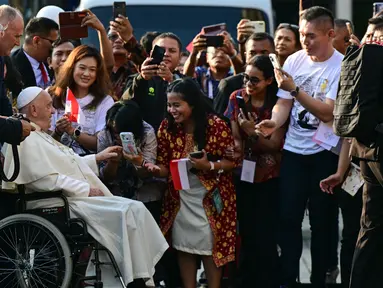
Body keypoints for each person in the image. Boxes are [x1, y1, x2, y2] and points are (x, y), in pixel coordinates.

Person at [1, 86, 169, 287]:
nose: (53, 111)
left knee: (134, 209)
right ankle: (135, 277)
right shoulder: (25, 138)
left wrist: (98, 158)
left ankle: (138, 274)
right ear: (34, 110)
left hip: (68, 198)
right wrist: (85, 189)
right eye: (48, 106)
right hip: (57, 202)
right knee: (128, 210)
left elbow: (66, 164)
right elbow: (42, 179)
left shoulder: (41, 135)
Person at [256, 7, 343, 287]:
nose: (305, 42)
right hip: (294, 151)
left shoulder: (341, 66)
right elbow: (284, 103)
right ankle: (287, 279)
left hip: (324, 153)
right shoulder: (294, 60)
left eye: (311, 36)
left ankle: (319, 279)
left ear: (330, 34)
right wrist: (274, 122)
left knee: (322, 222)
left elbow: (328, 113)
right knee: (288, 218)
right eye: (302, 35)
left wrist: (295, 90)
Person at [146, 78, 237, 288]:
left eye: (177, 105)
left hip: (211, 198)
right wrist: (150, 168)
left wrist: (208, 166)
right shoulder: (167, 127)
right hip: (180, 198)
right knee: (184, 247)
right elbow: (164, 166)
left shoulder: (215, 125)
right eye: (169, 105)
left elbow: (232, 162)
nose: (172, 110)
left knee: (210, 248)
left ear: (192, 104)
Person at [225, 55, 283, 288]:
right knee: (246, 230)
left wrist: (252, 133)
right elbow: (236, 138)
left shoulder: (278, 103)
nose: (249, 83)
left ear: (269, 81)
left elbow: (275, 145)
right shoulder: (237, 97)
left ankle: (269, 281)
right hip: (243, 172)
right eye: (246, 77)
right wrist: (237, 147)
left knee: (266, 232)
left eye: (255, 80)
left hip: (271, 175)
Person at [97, 101, 163, 221]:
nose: (116, 136)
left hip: (145, 195)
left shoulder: (147, 132)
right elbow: (105, 178)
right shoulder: (105, 134)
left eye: (119, 132)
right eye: (114, 131)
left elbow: (147, 174)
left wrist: (138, 161)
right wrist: (113, 162)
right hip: (116, 198)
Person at [49, 45, 115, 155]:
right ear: (72, 67)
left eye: (92, 70)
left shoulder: (105, 101)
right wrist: (58, 131)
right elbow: (45, 141)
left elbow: (100, 144)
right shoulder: (53, 96)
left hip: (89, 165)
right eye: (82, 68)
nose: (86, 74)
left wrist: (72, 131)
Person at [122, 32, 183, 131]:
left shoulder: (189, 82)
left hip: (177, 141)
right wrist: (142, 79)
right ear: (151, 53)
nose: (166, 54)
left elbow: (200, 108)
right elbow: (123, 106)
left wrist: (172, 80)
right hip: (145, 140)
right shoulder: (136, 80)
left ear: (180, 57)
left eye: (172, 51)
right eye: (162, 50)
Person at [213, 32, 275, 115]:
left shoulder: (282, 84)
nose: (258, 57)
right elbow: (218, 122)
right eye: (252, 53)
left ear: (275, 55)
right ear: (246, 56)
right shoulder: (229, 85)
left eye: (264, 53)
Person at [11, 17, 59, 92]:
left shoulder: (52, 62)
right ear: (36, 41)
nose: (55, 47)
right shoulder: (12, 66)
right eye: (53, 42)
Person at [184, 32, 234, 100]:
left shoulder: (234, 76)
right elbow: (187, 77)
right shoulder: (200, 73)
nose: (219, 55)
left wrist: (233, 54)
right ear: (207, 57)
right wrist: (194, 53)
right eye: (215, 51)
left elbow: (240, 74)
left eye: (224, 52)